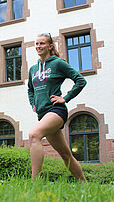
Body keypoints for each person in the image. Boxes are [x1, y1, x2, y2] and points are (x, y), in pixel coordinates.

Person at [28, 33, 87, 182]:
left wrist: (65, 98)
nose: (38, 46)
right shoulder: (33, 69)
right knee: (66, 154)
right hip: (42, 114)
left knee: (34, 135)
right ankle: (84, 183)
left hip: (56, 111)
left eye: (42, 43)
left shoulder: (58, 63)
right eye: (37, 43)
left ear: (50, 46)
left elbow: (80, 80)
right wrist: (33, 103)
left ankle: (35, 181)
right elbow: (30, 89)